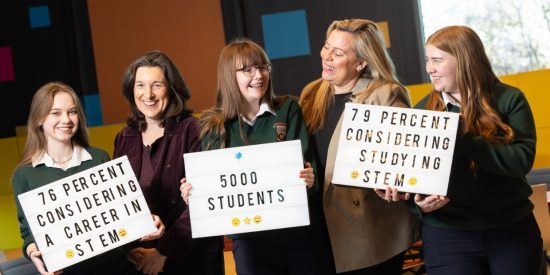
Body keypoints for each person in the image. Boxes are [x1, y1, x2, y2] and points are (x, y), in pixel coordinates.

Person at [180, 39, 319, 275]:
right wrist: (193, 193)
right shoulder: (214, 124)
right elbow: (212, 187)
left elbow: (309, 170)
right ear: (228, 76)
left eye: (263, 67)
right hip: (248, 241)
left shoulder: (288, 109)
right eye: (247, 70)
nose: (258, 75)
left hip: (295, 234)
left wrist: (309, 178)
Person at [414, 25, 542, 275]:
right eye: (428, 60)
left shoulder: (509, 99)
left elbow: (521, 161)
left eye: (437, 60)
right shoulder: (422, 111)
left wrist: (467, 139)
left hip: (511, 230)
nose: (430, 68)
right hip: (447, 236)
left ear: (464, 61)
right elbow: (413, 174)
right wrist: (416, 202)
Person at [299, 19, 418, 274]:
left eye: (338, 53)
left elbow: (405, 160)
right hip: (321, 228)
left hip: (370, 234)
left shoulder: (386, 94)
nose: (327, 56)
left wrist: (396, 180)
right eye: (326, 47)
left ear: (361, 62)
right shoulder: (311, 93)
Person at [12, 82, 164, 275]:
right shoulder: (24, 174)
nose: (66, 119)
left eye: (72, 112)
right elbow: (28, 234)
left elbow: (119, 213)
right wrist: (33, 252)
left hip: (115, 267)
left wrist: (145, 221)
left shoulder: (99, 158)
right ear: (39, 119)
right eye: (56, 113)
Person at [113, 51, 224, 275]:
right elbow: (119, 202)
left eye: (157, 85)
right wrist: (130, 250)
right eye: (140, 85)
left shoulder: (194, 130)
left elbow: (205, 202)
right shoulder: (123, 138)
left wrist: (162, 252)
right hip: (142, 260)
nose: (148, 94)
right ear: (131, 90)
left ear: (171, 89)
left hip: (193, 258)